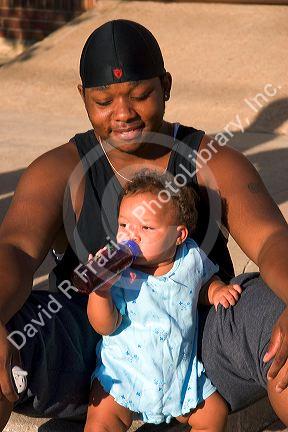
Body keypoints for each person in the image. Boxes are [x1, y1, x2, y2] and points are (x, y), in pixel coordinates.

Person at [0, 18, 287, 431]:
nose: (123, 113)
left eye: (140, 95)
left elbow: (273, 238)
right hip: (94, 354)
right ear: (83, 97)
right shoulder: (61, 170)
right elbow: (16, 250)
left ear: (166, 86)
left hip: (198, 347)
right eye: (103, 102)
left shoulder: (211, 161)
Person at [85, 170, 241, 431]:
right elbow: (105, 325)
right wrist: (100, 292)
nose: (131, 235)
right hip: (124, 371)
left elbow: (200, 283)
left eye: (146, 227)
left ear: (179, 235)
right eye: (124, 225)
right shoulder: (119, 272)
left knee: (214, 414)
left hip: (178, 372)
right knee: (102, 420)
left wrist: (213, 291)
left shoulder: (190, 257)